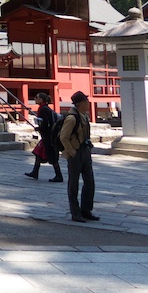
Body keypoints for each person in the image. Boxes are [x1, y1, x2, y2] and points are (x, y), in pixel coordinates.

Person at [59, 90, 99, 222]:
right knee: (73, 183)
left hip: (85, 151)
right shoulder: (72, 118)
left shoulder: (84, 116)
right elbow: (63, 137)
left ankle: (86, 209)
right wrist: (72, 152)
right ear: (81, 103)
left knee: (89, 182)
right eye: (86, 101)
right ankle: (75, 212)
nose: (88, 103)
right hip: (75, 153)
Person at [25, 92, 63, 182]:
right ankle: (35, 171)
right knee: (38, 153)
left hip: (48, 136)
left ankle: (59, 175)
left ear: (41, 99)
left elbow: (46, 123)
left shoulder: (43, 109)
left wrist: (39, 128)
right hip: (48, 136)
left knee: (52, 156)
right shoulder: (45, 108)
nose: (35, 99)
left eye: (37, 97)